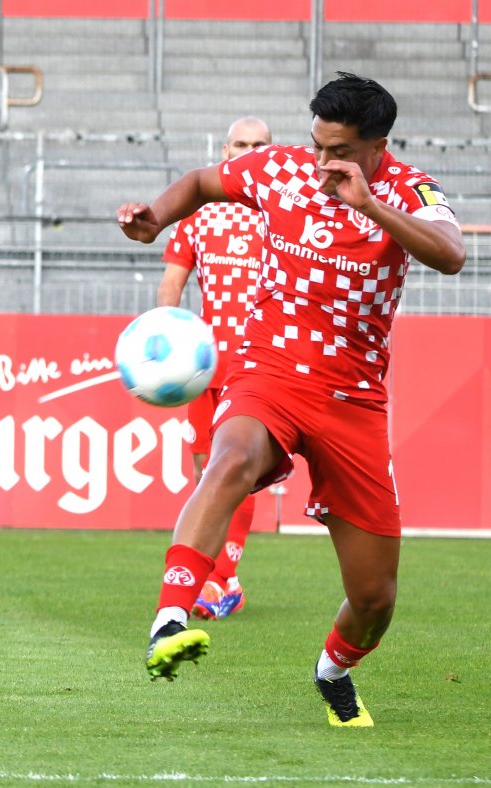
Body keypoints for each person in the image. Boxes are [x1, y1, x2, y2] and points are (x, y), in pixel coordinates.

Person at [118, 73, 464, 727]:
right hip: (268, 371)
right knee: (228, 462)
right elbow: (200, 183)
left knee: (374, 598)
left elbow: (451, 254)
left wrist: (372, 208)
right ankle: (170, 619)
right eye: (316, 146)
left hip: (354, 401)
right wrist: (155, 217)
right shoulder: (281, 170)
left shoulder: (409, 190)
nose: (322, 162)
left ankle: (333, 670)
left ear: (377, 146)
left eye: (338, 151)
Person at [158, 116, 271, 622]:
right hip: (205, 364)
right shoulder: (197, 217)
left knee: (237, 470)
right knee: (206, 471)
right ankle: (227, 578)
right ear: (225, 150)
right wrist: (168, 337)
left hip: (260, 363)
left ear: (272, 151)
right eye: (241, 144)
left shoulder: (282, 213)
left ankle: (220, 578)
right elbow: (172, 284)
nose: (248, 151)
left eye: (259, 144)